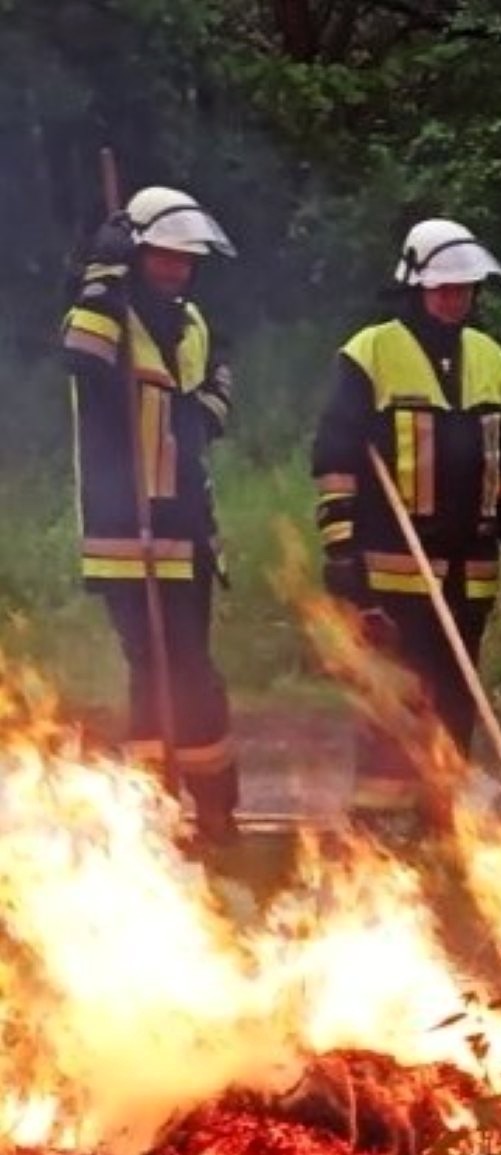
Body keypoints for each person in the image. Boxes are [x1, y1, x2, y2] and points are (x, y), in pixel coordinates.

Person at [311, 219, 501, 829]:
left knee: (458, 692)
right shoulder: (370, 352)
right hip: (394, 564)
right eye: (443, 289)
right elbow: (334, 456)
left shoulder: (492, 358)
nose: (455, 300)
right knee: (395, 694)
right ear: (414, 287)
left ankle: (444, 812)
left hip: (470, 567)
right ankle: (378, 822)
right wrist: (341, 547)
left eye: (465, 290)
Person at [60, 185, 239, 845]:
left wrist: (198, 417)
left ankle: (215, 802)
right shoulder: (106, 313)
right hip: (122, 528)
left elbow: (220, 382)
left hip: (187, 526)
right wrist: (102, 276)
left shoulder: (193, 322)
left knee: (194, 666)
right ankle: (154, 807)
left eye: (185, 261)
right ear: (138, 255)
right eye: (163, 258)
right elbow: (80, 356)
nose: (176, 270)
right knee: (152, 668)